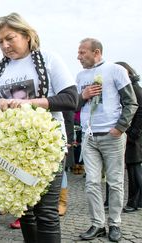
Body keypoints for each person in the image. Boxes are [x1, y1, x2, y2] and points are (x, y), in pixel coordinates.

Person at [0, 13, 78, 242]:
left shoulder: (48, 59)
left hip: (47, 150)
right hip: (13, 152)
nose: (5, 45)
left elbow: (71, 99)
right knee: (25, 213)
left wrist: (29, 103)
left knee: (46, 213)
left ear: (26, 35)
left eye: (10, 38)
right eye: (0, 41)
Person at [76, 38, 138, 242]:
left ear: (96, 52)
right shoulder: (80, 76)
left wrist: (120, 128)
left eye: (83, 52)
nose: (79, 57)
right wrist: (82, 95)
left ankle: (115, 224)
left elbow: (131, 102)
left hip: (111, 136)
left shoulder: (115, 70)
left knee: (115, 182)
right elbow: (74, 106)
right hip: (89, 137)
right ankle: (97, 224)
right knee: (92, 183)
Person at [116, 61, 142, 213]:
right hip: (132, 134)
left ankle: (134, 202)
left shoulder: (135, 90)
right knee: (133, 169)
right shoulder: (134, 88)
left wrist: (133, 134)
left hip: (134, 136)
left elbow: (140, 113)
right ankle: (136, 201)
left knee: (134, 170)